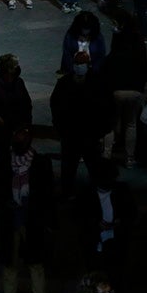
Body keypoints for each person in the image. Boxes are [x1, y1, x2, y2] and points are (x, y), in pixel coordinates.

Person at [0, 124, 56, 293]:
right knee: (11, 262)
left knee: (35, 263)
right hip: (13, 218)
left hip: (31, 219)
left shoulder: (39, 162)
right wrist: (6, 201)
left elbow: (47, 192)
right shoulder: (6, 161)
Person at [51, 52, 112, 199]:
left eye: (81, 63)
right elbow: (56, 106)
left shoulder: (96, 83)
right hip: (73, 134)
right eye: (77, 63)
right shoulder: (66, 83)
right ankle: (69, 192)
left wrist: (102, 130)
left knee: (91, 166)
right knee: (70, 167)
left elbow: (106, 108)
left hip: (89, 134)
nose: (79, 67)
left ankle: (91, 192)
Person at [101, 27, 147, 169]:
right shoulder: (138, 57)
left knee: (112, 124)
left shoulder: (112, 57)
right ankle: (130, 158)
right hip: (135, 93)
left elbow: (102, 76)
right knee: (131, 124)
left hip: (116, 93)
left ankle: (106, 154)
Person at [76, 157, 136, 281]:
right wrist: (96, 224)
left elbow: (131, 213)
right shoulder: (86, 194)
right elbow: (79, 218)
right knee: (95, 276)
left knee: (116, 275)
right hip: (94, 242)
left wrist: (120, 222)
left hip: (117, 241)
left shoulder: (122, 191)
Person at [0, 53, 33, 178]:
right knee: (3, 160)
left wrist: (27, 124)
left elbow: (27, 104)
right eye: (15, 66)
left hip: (19, 128)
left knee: (21, 158)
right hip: (2, 131)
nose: (18, 68)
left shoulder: (19, 83)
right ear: (9, 69)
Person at [59, 10, 108, 75]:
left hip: (92, 71)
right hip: (72, 70)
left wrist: (94, 71)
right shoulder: (70, 35)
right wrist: (72, 71)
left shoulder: (98, 37)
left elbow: (101, 55)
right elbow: (67, 55)